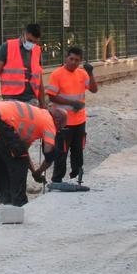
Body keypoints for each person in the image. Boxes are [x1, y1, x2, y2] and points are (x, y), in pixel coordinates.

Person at [0, 100, 67, 206]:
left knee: (1, 162)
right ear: (58, 121)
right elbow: (49, 154)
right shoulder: (50, 122)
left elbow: (23, 152)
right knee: (18, 163)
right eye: (60, 128)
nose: (58, 131)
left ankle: (6, 203)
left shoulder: (37, 118)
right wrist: (39, 172)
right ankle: (19, 204)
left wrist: (34, 171)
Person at [45, 47, 98, 184]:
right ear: (66, 58)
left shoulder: (82, 74)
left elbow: (94, 89)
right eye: (71, 59)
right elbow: (52, 96)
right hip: (63, 123)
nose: (74, 62)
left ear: (80, 61)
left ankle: (77, 178)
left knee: (78, 152)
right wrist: (72, 102)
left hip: (80, 121)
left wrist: (90, 73)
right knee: (61, 153)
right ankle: (57, 181)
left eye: (77, 60)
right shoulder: (57, 74)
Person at [0, 23, 45, 107]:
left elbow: (39, 80)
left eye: (35, 42)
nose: (32, 44)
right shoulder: (7, 47)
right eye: (30, 40)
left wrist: (43, 105)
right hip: (11, 99)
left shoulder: (37, 50)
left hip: (32, 100)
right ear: (24, 34)